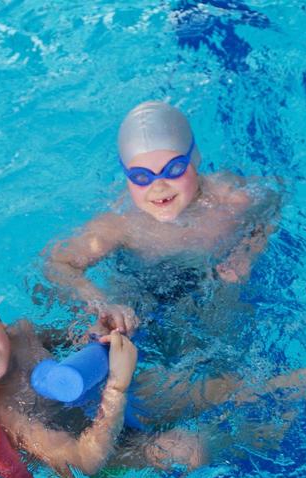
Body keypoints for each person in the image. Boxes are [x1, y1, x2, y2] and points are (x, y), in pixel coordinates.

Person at [0, 276, 211, 477]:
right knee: (188, 448)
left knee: (217, 388)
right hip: (103, 451)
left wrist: (103, 328)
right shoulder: (0, 411)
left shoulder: (23, 335)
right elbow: (84, 461)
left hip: (101, 400)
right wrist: (117, 387)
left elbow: (75, 338)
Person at [44, 100, 278, 338]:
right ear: (126, 176)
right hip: (138, 298)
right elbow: (59, 264)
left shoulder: (231, 199)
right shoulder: (120, 224)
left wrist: (248, 250)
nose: (158, 186)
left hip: (213, 288)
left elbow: (273, 199)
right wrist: (101, 305)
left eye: (173, 169)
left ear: (194, 160)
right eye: (141, 176)